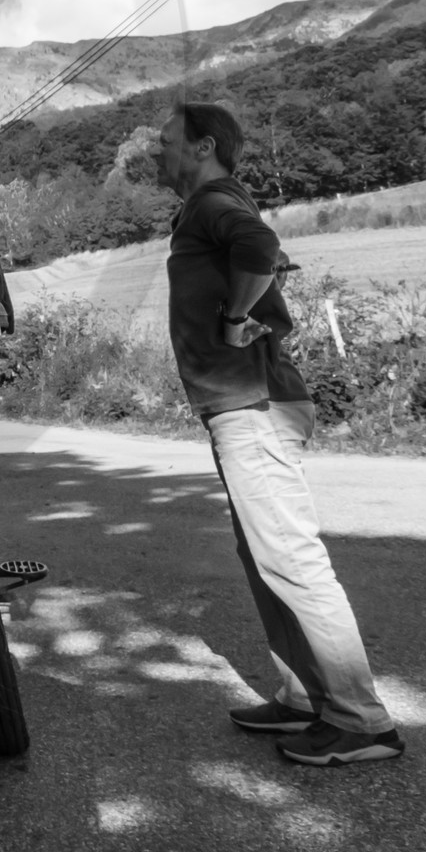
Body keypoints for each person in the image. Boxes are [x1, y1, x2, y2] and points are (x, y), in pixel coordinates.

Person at [155, 102, 404, 766]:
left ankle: (361, 719)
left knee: (290, 560)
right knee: (266, 563)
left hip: (254, 404)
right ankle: (301, 698)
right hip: (238, 405)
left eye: (167, 142)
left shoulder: (213, 201)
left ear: (203, 146)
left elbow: (260, 248)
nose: (158, 153)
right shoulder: (205, 205)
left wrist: (237, 317)